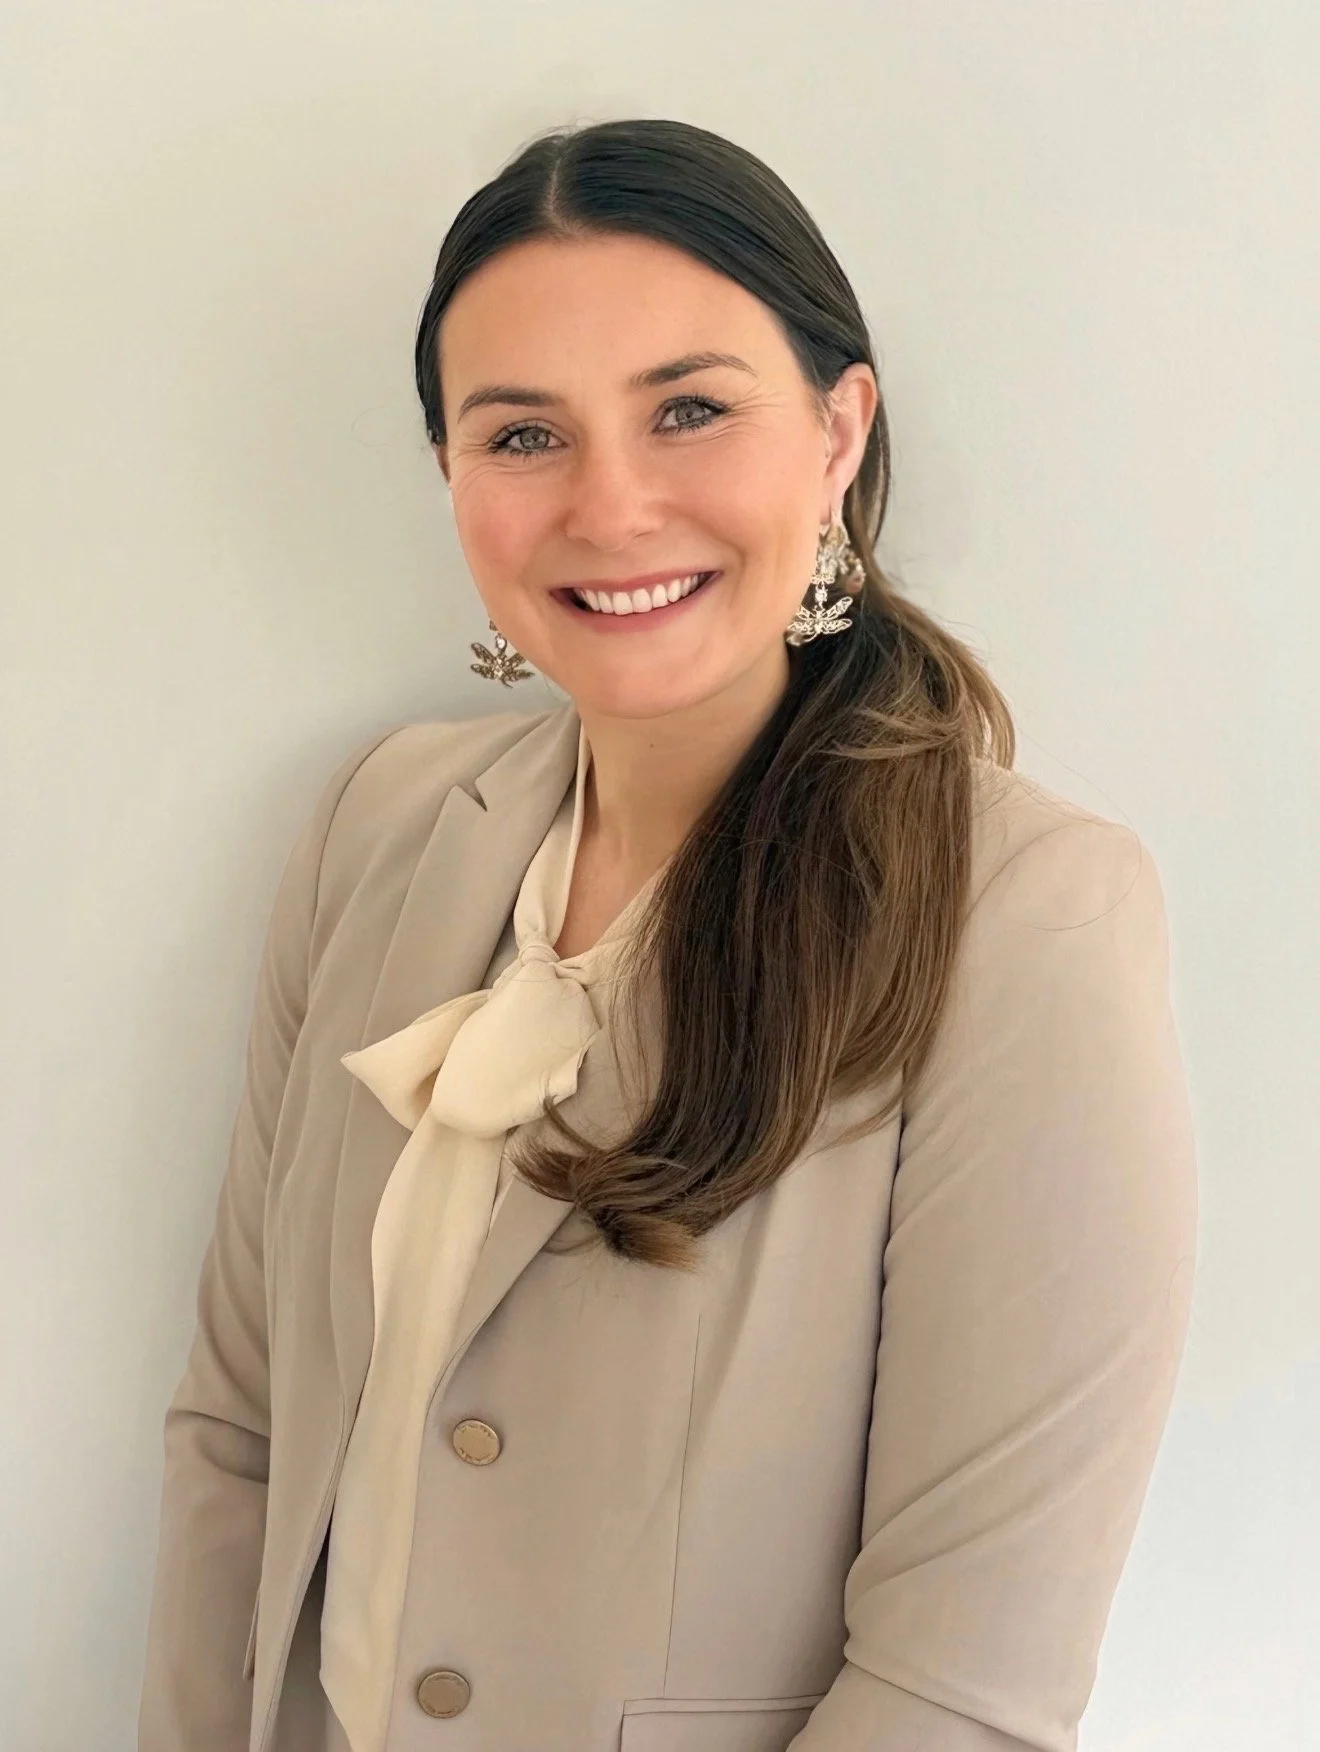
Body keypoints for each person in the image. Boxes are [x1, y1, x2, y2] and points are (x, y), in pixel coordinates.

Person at [138, 118, 1198, 1752]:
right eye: (521, 435)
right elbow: (242, 1430)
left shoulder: (1028, 919)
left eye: (690, 410)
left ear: (839, 432)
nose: (611, 506)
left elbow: (962, 1685)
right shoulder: (379, 826)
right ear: (449, 476)